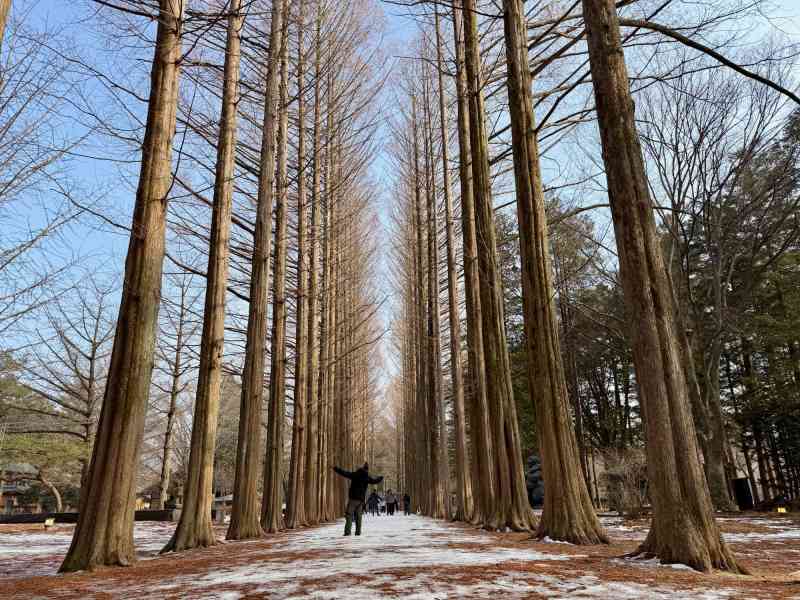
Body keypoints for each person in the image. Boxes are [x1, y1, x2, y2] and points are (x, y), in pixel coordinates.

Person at [333, 462, 383, 535]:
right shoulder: (367, 477)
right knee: (358, 517)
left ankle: (347, 532)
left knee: (349, 515)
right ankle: (358, 532)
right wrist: (380, 478)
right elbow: (375, 481)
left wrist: (335, 468)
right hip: (361, 501)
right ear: (367, 470)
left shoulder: (355, 474)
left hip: (353, 499)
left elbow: (345, 473)